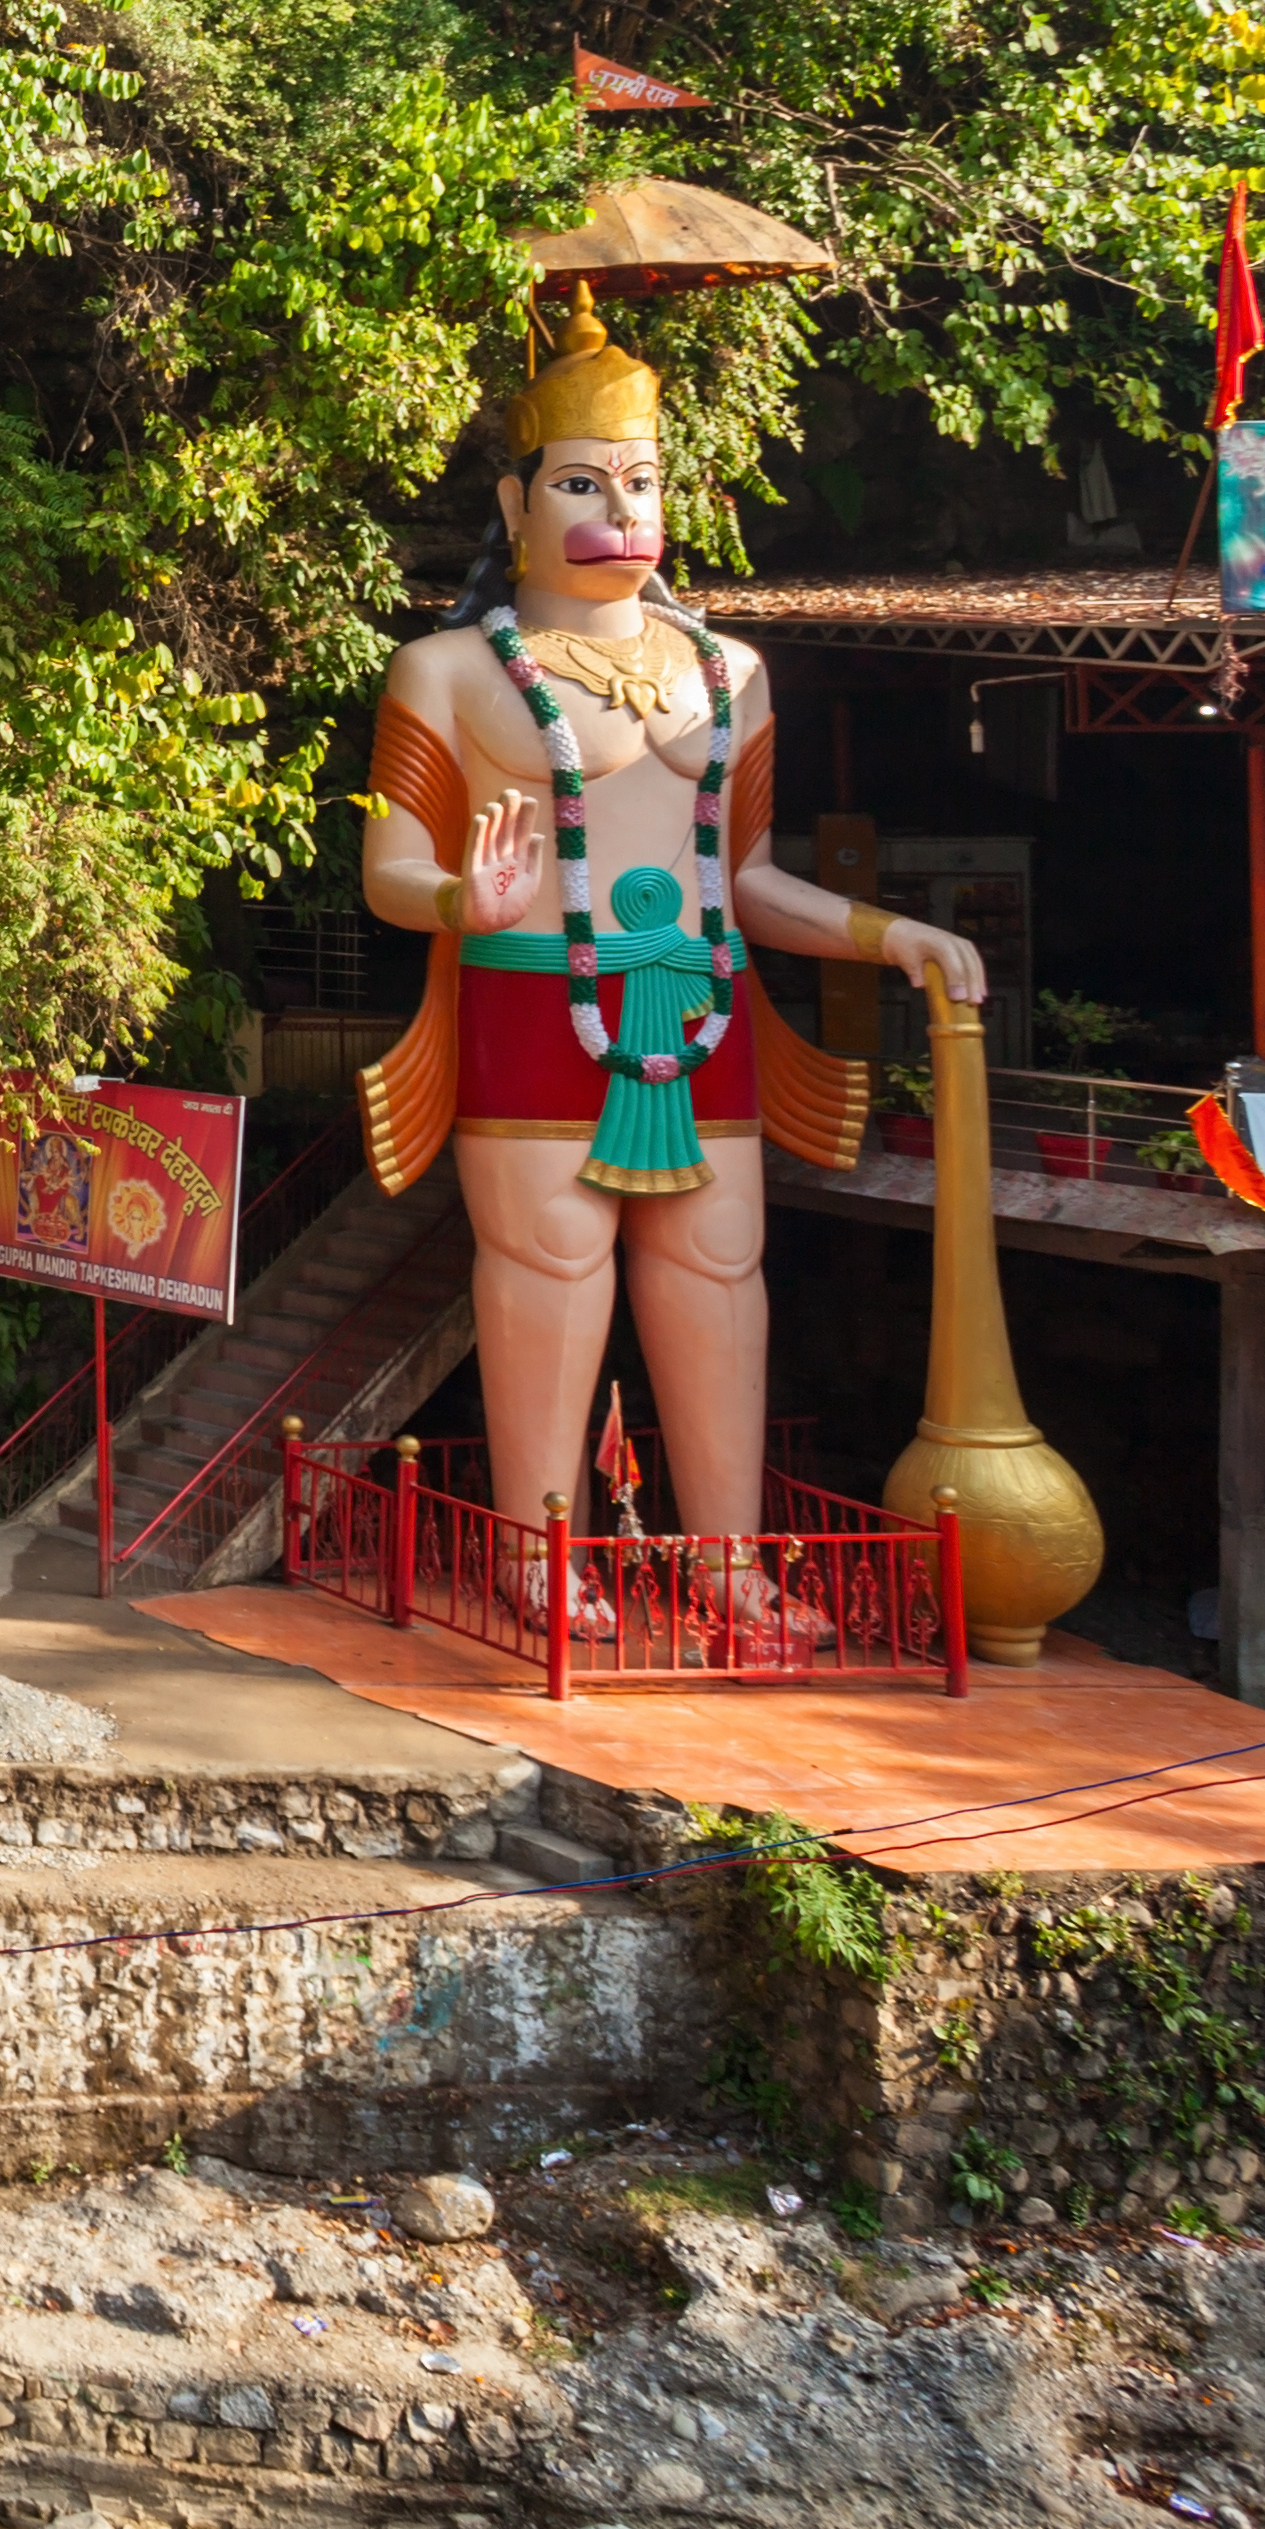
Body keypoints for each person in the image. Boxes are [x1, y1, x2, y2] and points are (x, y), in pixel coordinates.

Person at [355, 300, 987, 1637]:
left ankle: (728, 1564)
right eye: (583, 483)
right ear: (517, 500)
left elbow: (747, 880)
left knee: (716, 1270)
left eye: (641, 482)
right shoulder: (450, 671)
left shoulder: (731, 671)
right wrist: (465, 896)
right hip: (536, 997)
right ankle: (536, 1550)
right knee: (552, 1266)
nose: (618, 510)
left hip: (701, 1007)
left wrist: (891, 934)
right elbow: (387, 873)